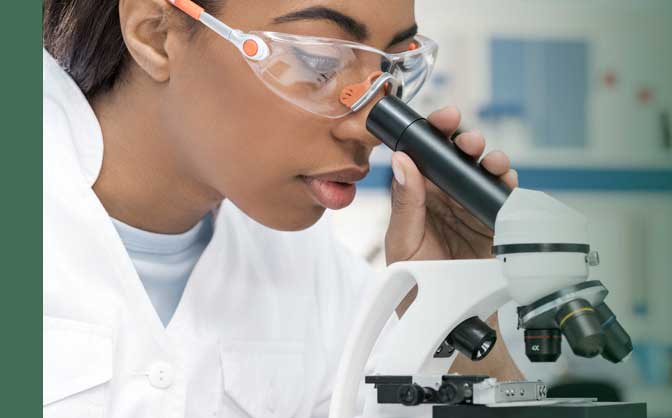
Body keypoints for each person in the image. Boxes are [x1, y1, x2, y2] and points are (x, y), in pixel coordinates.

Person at [43, 0, 521, 417]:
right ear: (156, 34)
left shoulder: (316, 278)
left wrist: (453, 305)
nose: (367, 129)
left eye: (392, 71)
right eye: (319, 62)